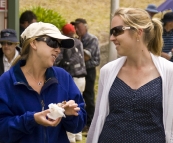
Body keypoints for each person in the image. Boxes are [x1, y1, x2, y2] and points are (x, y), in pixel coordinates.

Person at [87, 7, 173, 143]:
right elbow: (98, 118)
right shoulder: (107, 71)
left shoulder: (169, 72)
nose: (111, 38)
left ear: (138, 32)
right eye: (111, 32)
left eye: (117, 31)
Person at [0, 22, 86, 143]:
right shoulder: (6, 82)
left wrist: (70, 114)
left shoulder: (63, 77)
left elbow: (80, 124)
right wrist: (31, 119)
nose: (58, 50)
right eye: (53, 42)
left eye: (59, 45)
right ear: (33, 43)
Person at [56, 23, 87, 143]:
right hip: (82, 77)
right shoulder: (79, 42)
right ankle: (78, 135)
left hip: (72, 77)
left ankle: (71, 137)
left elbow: (59, 60)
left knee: (70, 105)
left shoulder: (65, 45)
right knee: (79, 105)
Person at [71, 18, 100, 132]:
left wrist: (73, 54)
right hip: (78, 72)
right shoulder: (76, 40)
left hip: (89, 70)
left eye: (79, 27)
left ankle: (90, 122)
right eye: (75, 27)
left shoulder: (91, 39)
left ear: (85, 27)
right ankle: (82, 122)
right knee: (79, 97)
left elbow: (86, 56)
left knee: (88, 96)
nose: (77, 29)